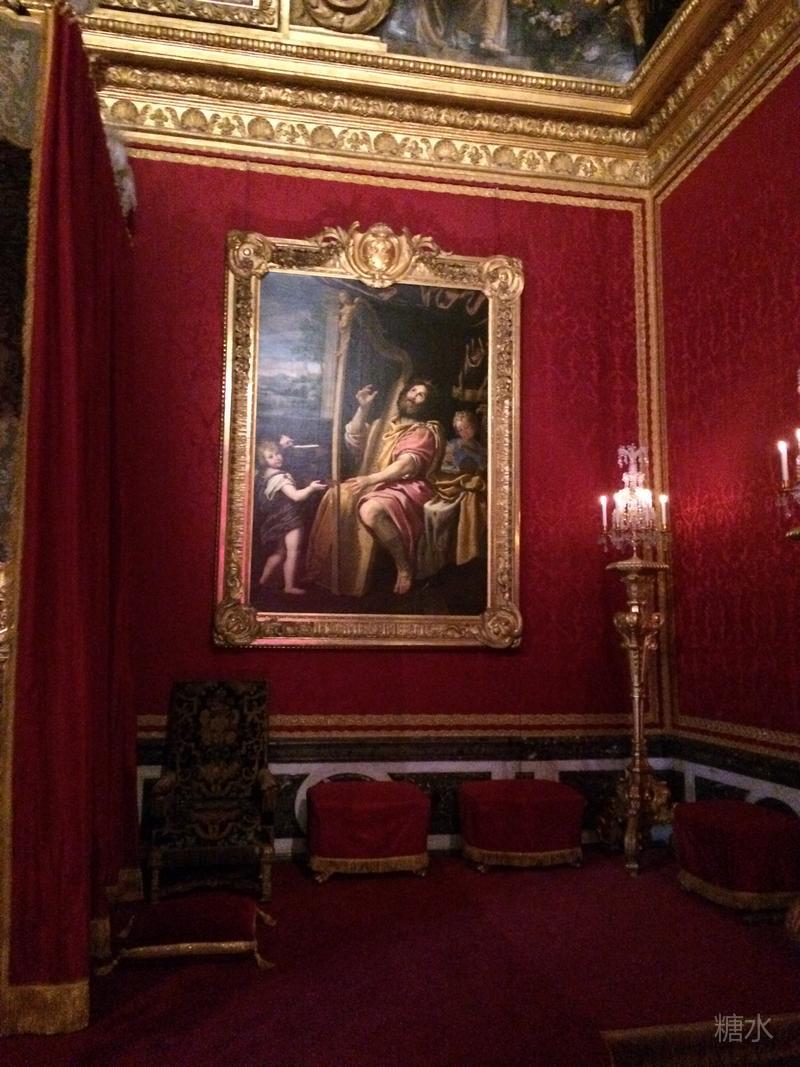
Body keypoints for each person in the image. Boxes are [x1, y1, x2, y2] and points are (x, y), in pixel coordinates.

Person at [306, 379, 445, 596]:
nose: (413, 396)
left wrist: (370, 480)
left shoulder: (423, 431)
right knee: (337, 495)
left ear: (426, 404)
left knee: (370, 510)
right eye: (412, 390)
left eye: (421, 395)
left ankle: (404, 567)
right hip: (377, 481)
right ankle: (332, 569)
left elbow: (406, 465)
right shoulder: (383, 425)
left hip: (407, 486)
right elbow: (354, 439)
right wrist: (363, 408)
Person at [417, 409, 488, 580]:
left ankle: (467, 552)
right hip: (452, 485)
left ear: (475, 426)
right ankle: (442, 558)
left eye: (468, 427)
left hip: (471, 485)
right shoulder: (452, 446)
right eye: (461, 429)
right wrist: (459, 471)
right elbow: (444, 468)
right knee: (435, 510)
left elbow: (482, 470)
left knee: (474, 502)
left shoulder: (482, 450)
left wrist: (474, 475)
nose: (465, 432)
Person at [254, 436, 326, 595]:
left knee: (280, 553)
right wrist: (311, 488)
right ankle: (289, 587)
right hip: (290, 518)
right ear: (264, 460)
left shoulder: (264, 474)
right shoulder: (280, 478)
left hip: (277, 518)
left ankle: (261, 582)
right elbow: (296, 496)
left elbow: (273, 453)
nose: (277, 458)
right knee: (293, 552)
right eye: (271, 456)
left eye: (278, 454)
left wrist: (282, 446)